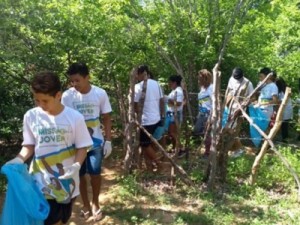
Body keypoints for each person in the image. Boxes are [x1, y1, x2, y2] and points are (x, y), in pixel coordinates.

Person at [6, 71, 93, 225]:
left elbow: (82, 147)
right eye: (37, 100)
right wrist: (18, 159)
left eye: (45, 100)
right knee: (48, 220)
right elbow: (29, 145)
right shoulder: (31, 116)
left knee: (61, 220)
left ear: (58, 95)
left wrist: (76, 165)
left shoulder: (74, 117)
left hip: (67, 183)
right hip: (39, 182)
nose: (40, 105)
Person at [61, 62, 112, 221]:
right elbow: (64, 119)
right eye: (72, 81)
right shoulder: (68, 96)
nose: (74, 84)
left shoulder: (100, 93)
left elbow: (106, 117)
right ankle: (85, 204)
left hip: (96, 141)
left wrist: (108, 140)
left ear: (87, 77)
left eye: (77, 80)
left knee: (95, 173)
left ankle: (96, 202)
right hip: (75, 144)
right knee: (80, 174)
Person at [134, 65, 164, 171]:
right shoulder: (157, 84)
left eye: (137, 74)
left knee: (145, 144)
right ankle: (150, 166)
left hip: (146, 121)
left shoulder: (137, 87)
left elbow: (135, 105)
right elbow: (161, 101)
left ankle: (159, 164)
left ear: (142, 73)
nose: (136, 77)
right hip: (157, 118)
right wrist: (162, 115)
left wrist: (137, 116)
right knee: (151, 143)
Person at [224, 67, 254, 156]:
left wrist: (241, 106)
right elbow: (228, 91)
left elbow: (251, 98)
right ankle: (234, 148)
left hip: (240, 109)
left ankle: (238, 148)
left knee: (233, 129)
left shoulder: (248, 83)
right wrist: (225, 105)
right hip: (229, 108)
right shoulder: (231, 79)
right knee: (227, 127)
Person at [193, 69, 213, 157]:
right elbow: (202, 101)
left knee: (207, 132)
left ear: (205, 79)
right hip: (201, 113)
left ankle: (208, 152)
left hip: (208, 113)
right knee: (198, 130)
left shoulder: (211, 88)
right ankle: (208, 148)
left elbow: (215, 103)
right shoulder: (202, 88)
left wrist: (211, 116)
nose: (198, 80)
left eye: (200, 78)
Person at [166, 75, 184, 157]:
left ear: (174, 83)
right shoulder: (174, 91)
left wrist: (168, 99)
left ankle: (180, 149)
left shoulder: (178, 91)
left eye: (170, 82)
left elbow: (179, 103)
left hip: (175, 114)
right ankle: (175, 149)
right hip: (172, 113)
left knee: (173, 132)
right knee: (171, 132)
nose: (169, 84)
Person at [275, 77, 293, 142]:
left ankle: (284, 139)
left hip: (284, 110)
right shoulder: (286, 89)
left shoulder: (281, 92)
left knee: (284, 125)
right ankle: (284, 138)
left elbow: (280, 102)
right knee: (284, 124)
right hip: (287, 109)